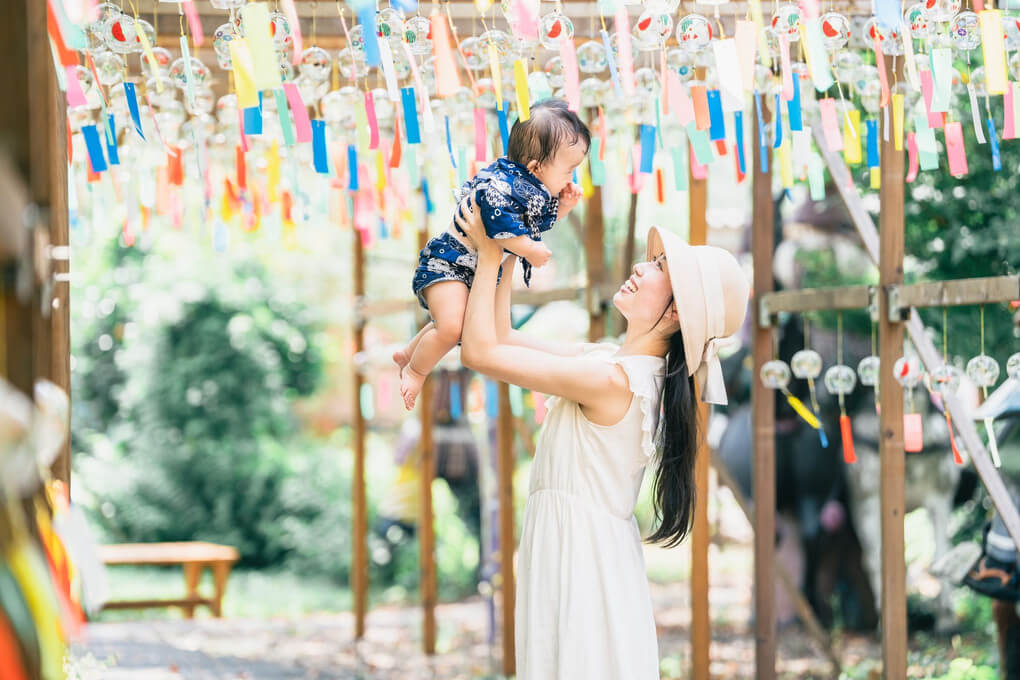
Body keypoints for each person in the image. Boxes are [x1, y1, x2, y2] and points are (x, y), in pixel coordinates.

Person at [454, 196, 751, 678]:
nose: (640, 267)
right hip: (578, 553)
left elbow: (480, 352)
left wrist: (490, 253)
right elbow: (502, 336)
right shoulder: (608, 363)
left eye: (658, 267)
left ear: (676, 313)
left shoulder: (614, 382)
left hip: (582, 563)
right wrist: (516, 241)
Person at [394, 99, 589, 410]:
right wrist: (529, 249)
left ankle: (409, 352)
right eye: (569, 170)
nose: (571, 179)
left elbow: (531, 224)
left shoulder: (528, 189)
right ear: (536, 168)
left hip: (465, 269)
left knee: (454, 325)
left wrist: (562, 206)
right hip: (447, 264)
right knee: (452, 328)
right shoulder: (503, 186)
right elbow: (497, 224)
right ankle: (416, 370)